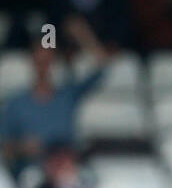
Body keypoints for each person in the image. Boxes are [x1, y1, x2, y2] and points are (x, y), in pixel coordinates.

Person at [1, 17, 109, 173]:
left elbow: (102, 68)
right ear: (32, 62)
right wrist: (22, 147)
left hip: (67, 172)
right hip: (31, 176)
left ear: (54, 62)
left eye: (48, 61)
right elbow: (5, 148)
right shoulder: (16, 103)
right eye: (40, 61)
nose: (44, 67)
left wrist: (83, 34)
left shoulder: (67, 96)